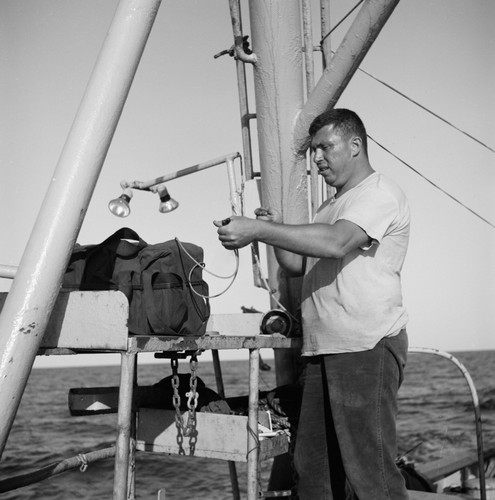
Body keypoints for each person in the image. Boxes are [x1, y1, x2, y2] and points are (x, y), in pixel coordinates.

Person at [214, 108, 410, 499]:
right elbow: (297, 266)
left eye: (325, 147)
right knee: (314, 471)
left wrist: (259, 228)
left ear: (355, 145)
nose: (317, 158)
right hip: (323, 351)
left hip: (364, 347)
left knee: (371, 476)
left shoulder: (379, 194)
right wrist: (272, 233)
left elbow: (336, 242)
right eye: (313, 150)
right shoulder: (331, 207)